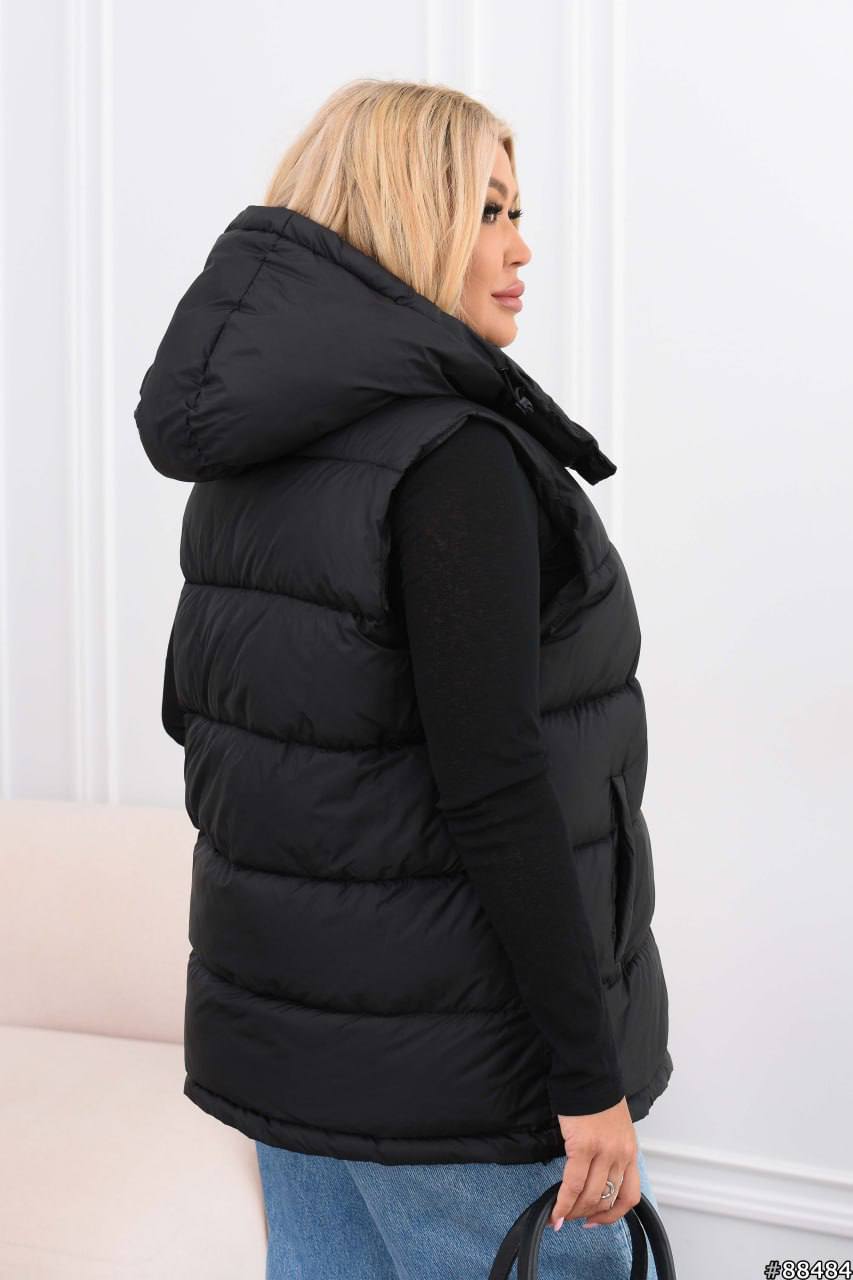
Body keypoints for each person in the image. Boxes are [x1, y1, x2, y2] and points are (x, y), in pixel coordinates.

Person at [137, 78, 673, 1279]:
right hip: (462, 1078)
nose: (520, 247)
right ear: (403, 216)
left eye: (516, 211)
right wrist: (585, 1073)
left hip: (290, 1057)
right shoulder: (453, 458)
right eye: (487, 209)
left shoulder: (252, 459)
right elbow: (494, 784)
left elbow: (204, 723)